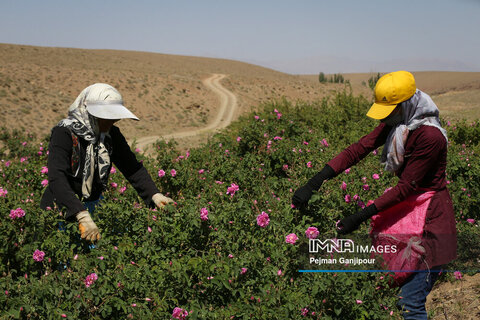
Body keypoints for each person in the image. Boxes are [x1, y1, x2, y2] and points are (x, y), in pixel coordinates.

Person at [292, 71, 457, 319]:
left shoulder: (430, 136)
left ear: (405, 105)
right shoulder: (401, 122)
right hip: (409, 213)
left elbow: (406, 188)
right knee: (396, 292)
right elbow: (358, 149)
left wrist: (359, 216)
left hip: (430, 223)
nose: (386, 118)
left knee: (410, 302)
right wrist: (314, 182)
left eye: (390, 111)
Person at [40, 83, 173, 241]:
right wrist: (81, 215)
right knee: (63, 257)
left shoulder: (110, 135)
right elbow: (57, 178)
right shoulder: (64, 133)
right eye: (107, 118)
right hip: (62, 207)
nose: (112, 123)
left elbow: (132, 168)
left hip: (93, 204)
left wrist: (154, 195)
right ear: (89, 113)